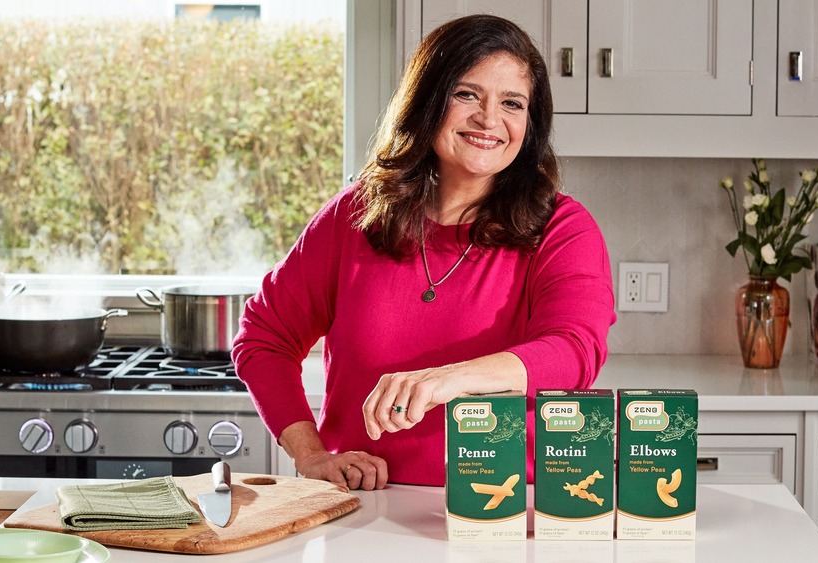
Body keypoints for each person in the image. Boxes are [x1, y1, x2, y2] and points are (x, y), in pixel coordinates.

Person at [231, 14, 615, 490]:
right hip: (366, 509)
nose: (489, 119)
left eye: (512, 103)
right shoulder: (353, 217)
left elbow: (573, 353)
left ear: (530, 124)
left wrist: (447, 380)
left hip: (508, 513)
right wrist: (310, 455)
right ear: (429, 101)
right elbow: (264, 338)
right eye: (466, 94)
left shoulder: (563, 228)